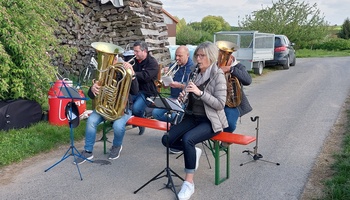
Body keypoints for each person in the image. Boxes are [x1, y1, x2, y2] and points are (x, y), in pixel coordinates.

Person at [161, 41, 228, 200]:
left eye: (202, 56)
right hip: (192, 116)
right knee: (167, 139)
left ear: (210, 57)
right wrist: (182, 98)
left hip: (211, 121)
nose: (198, 59)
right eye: (197, 55)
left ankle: (189, 183)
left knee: (188, 140)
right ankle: (193, 152)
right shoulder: (194, 72)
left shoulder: (218, 75)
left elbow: (220, 104)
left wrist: (200, 93)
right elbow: (187, 93)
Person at [74, 61, 139, 164]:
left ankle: (116, 146)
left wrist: (133, 73)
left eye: (114, 58)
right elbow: (91, 95)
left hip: (121, 108)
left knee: (117, 126)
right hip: (104, 107)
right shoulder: (103, 74)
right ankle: (88, 151)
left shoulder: (125, 72)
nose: (111, 62)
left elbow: (135, 91)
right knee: (91, 120)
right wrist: (92, 89)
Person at [123, 41, 159, 135]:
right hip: (134, 89)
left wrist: (133, 72)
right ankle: (128, 121)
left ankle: (141, 121)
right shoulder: (134, 60)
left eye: (137, 51)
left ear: (144, 51)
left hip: (147, 91)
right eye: (134, 51)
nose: (134, 53)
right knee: (123, 103)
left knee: (136, 108)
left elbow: (146, 76)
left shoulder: (152, 63)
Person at [152, 45, 193, 124]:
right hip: (173, 97)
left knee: (175, 116)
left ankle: (176, 124)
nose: (177, 58)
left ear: (187, 55)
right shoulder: (173, 66)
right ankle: (175, 124)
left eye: (180, 56)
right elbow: (166, 86)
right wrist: (165, 83)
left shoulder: (192, 68)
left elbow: (192, 87)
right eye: (176, 55)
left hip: (185, 100)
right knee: (155, 113)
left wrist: (180, 85)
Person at [219, 54, 252, 132]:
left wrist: (231, 69)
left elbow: (248, 80)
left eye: (225, 59)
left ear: (232, 58)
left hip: (231, 103)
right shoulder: (215, 66)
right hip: (216, 101)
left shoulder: (239, 67)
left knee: (230, 124)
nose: (222, 62)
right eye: (220, 59)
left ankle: (225, 142)